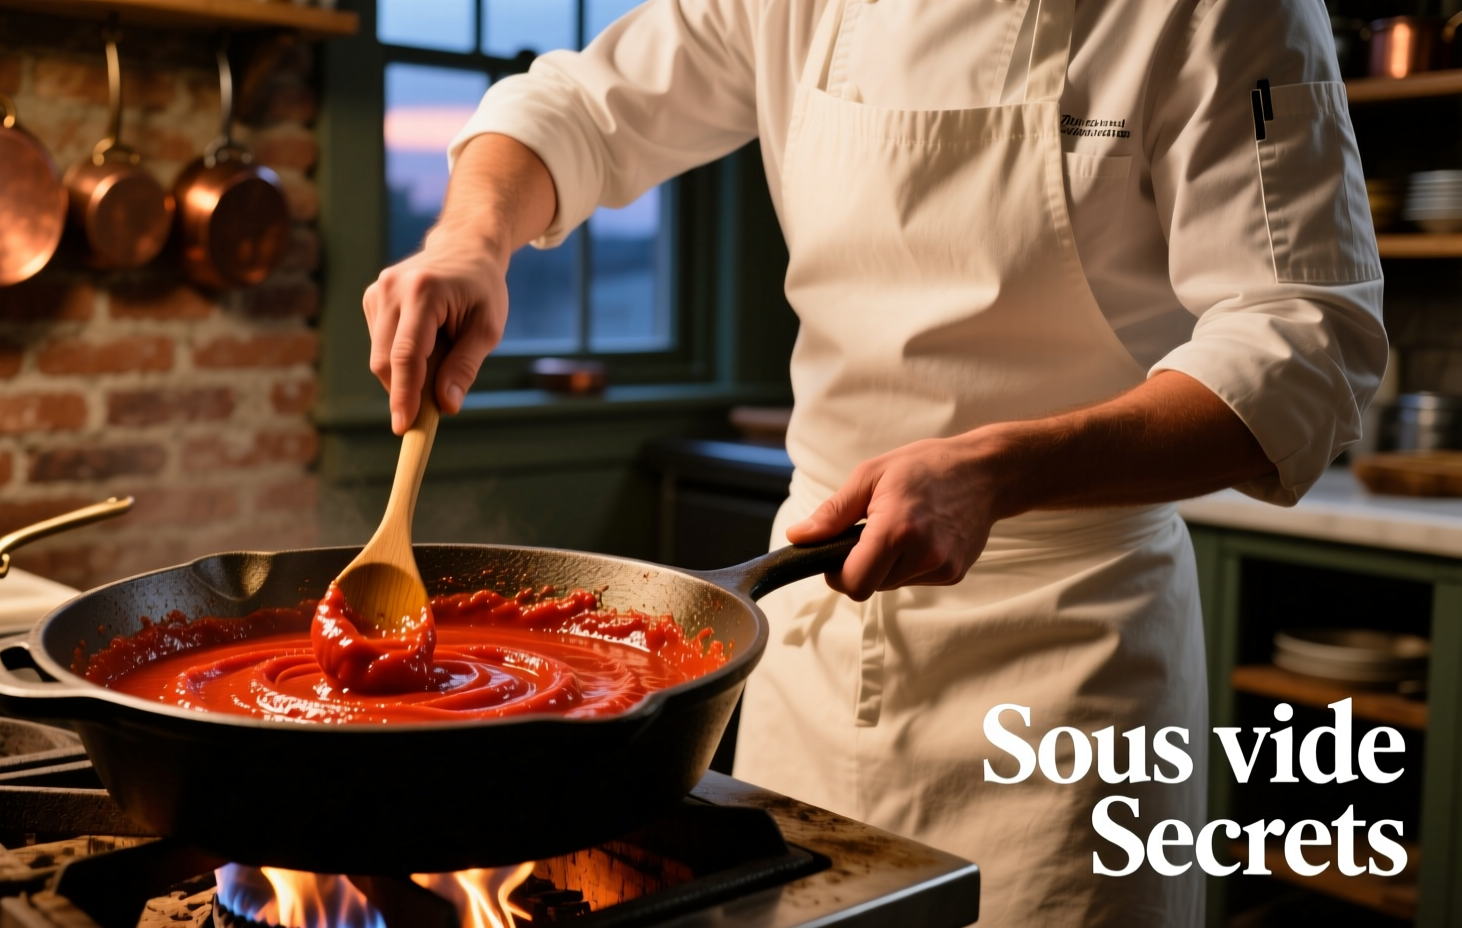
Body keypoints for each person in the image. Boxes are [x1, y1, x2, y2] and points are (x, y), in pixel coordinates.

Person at [360, 1, 1386, 923]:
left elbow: (1306, 344)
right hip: (812, 618)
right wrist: (470, 238)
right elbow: (579, 108)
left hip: (1067, 659)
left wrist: (1001, 468)